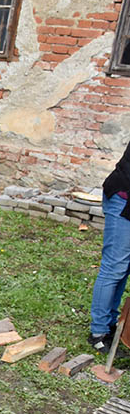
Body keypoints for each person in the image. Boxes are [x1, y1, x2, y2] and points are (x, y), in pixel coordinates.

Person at [87, 139, 130, 354]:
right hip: (123, 199)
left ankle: (111, 322)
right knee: (115, 267)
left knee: (124, 269)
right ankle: (98, 333)